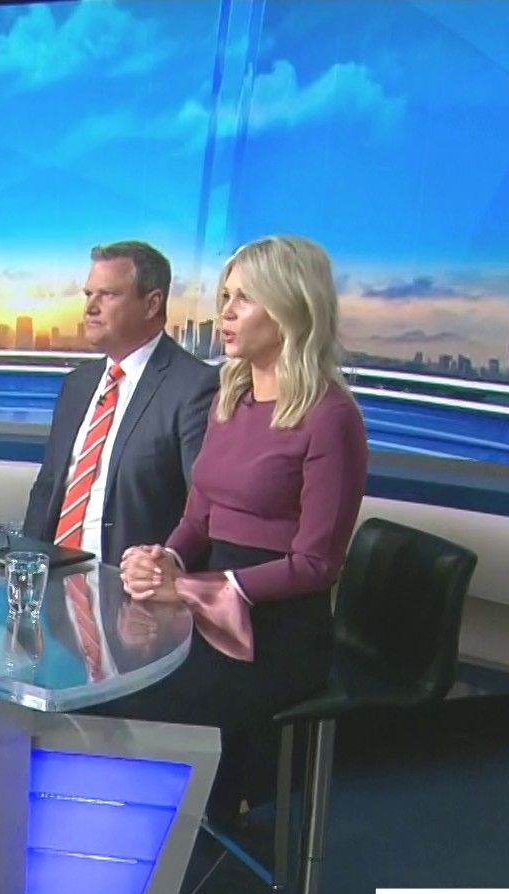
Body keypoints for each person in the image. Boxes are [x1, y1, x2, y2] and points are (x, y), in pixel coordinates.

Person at [118, 233, 369, 815]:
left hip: (276, 630)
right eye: (224, 297)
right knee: (112, 674)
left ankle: (177, 845)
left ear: (289, 308)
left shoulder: (331, 418)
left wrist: (196, 588)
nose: (225, 313)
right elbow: (199, 515)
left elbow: (317, 564)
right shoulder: (230, 399)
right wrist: (166, 559)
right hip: (203, 601)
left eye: (244, 299)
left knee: (136, 704)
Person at [22, 241, 218, 559]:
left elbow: (202, 511)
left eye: (108, 295)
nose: (90, 307)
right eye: (88, 294)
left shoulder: (194, 387)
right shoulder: (77, 384)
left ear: (152, 304)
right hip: (52, 572)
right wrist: (24, 563)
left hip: (129, 580)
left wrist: (164, 566)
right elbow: (47, 487)